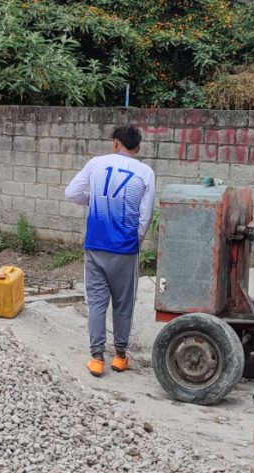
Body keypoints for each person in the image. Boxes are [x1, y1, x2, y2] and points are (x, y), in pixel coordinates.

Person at [64, 124, 155, 378]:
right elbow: (145, 216)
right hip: (126, 249)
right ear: (137, 148)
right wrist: (133, 240)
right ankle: (120, 356)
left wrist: (91, 200)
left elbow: (71, 193)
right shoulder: (146, 172)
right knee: (124, 304)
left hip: (95, 245)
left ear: (115, 143)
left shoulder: (96, 164)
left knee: (96, 303)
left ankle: (96, 359)